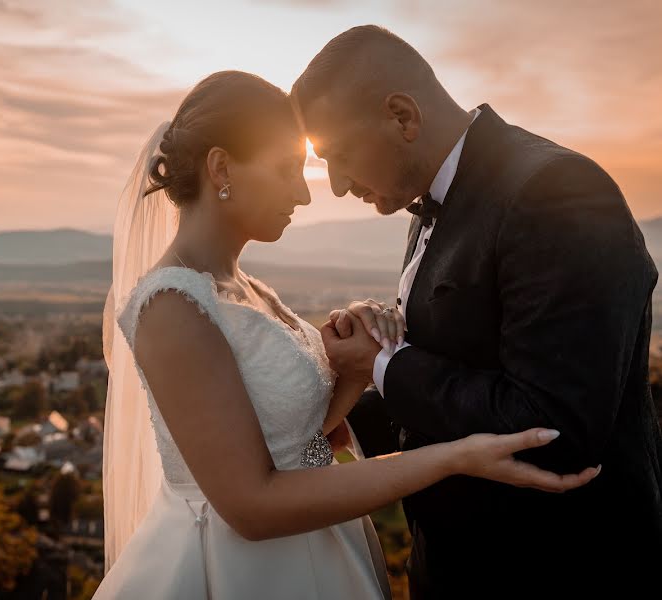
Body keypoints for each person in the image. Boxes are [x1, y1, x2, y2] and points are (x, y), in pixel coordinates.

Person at [94, 70, 598, 599]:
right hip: (236, 570)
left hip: (319, 549)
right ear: (222, 167)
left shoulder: (247, 288)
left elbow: (295, 441)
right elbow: (251, 507)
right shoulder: (170, 307)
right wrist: (453, 456)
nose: (304, 195)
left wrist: (354, 364)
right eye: (289, 170)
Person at [293, 25, 662, 599]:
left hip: (558, 570)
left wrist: (382, 365)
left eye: (337, 156)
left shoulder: (554, 192)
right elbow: (459, 372)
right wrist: (313, 422)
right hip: (452, 567)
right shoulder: (436, 196)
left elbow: (552, 427)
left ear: (401, 116)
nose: (337, 186)